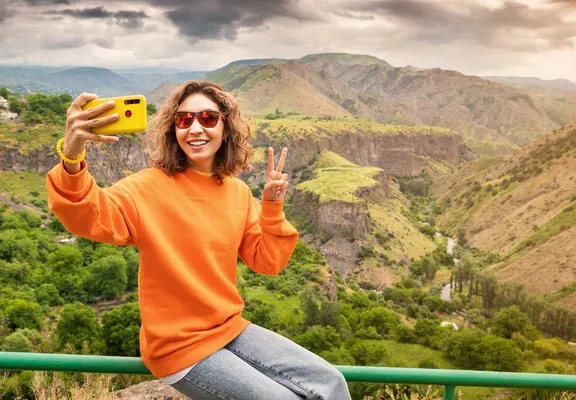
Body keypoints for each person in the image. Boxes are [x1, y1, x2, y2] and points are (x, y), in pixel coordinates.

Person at [46, 80, 352, 400]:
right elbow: (88, 215)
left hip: (228, 329)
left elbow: (269, 261)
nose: (194, 128)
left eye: (207, 118)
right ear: (172, 130)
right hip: (180, 347)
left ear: (225, 127)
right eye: (183, 119)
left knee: (332, 383)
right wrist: (71, 158)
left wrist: (272, 207)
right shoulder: (147, 188)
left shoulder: (237, 193)